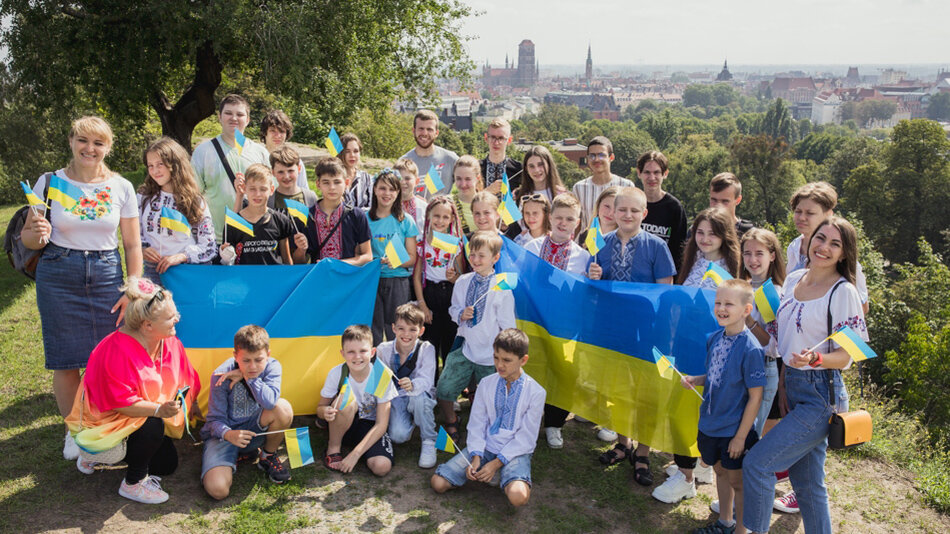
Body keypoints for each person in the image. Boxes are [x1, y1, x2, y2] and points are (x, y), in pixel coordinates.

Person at [21, 116, 143, 462]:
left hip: (106, 273)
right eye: (83, 141)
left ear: (108, 147)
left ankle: (102, 424)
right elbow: (30, 239)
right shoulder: (49, 183)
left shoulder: (121, 187)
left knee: (105, 358)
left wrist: (132, 285)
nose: (90, 149)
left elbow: (132, 246)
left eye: (98, 143)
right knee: (66, 359)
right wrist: (36, 232)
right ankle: (73, 431)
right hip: (58, 273)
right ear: (71, 141)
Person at [743, 217, 868, 534]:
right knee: (809, 486)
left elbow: (850, 354)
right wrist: (748, 321)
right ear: (809, 241)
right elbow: (775, 338)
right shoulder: (795, 278)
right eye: (820, 238)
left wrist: (818, 358)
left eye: (835, 244)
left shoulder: (843, 291)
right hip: (789, 388)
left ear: (843, 253)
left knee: (757, 464)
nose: (824, 247)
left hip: (820, 395)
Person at [65, 278, 200, 504]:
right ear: (147, 325)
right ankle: (132, 482)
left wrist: (192, 402)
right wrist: (158, 409)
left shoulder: (168, 340)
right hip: (110, 420)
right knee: (153, 425)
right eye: (170, 317)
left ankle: (103, 456)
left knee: (166, 465)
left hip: (142, 418)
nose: (177, 319)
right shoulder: (115, 352)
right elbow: (120, 403)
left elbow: (186, 373)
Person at [586, 187, 676, 485]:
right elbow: (593, 285)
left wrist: (663, 333)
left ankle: (644, 452)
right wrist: (593, 276)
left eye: (634, 211)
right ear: (613, 212)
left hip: (646, 330)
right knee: (620, 388)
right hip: (612, 329)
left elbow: (666, 292)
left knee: (645, 390)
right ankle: (624, 443)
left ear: (644, 214)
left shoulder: (657, 247)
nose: (627, 215)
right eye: (621, 209)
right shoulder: (601, 242)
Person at [653, 207, 741, 502]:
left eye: (712, 233)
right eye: (699, 232)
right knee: (678, 406)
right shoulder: (692, 261)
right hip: (683, 342)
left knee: (696, 410)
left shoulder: (732, 270)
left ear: (725, 236)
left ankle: (689, 475)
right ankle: (688, 468)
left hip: (712, 350)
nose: (704, 239)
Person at [681, 279, 766, 533]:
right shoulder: (714, 338)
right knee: (719, 471)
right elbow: (717, 375)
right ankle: (725, 522)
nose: (721, 308)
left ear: (746, 310)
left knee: (737, 481)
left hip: (733, 431)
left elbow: (756, 397)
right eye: (718, 302)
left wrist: (740, 437)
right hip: (710, 424)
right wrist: (697, 380)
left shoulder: (752, 349)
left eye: (729, 303)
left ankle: (741, 529)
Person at [431, 328, 545, 507]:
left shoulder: (536, 392)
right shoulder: (486, 383)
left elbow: (527, 438)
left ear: (523, 360)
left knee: (518, 497)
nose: (500, 365)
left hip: (514, 452)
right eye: (496, 358)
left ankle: (501, 474)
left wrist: (495, 464)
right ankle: (487, 472)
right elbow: (477, 423)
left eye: (507, 360)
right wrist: (476, 456)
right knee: (438, 483)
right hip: (484, 448)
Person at [436, 232, 517, 445]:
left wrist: (503, 354)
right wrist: (460, 313)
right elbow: (453, 309)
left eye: (482, 255)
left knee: (490, 398)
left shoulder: (502, 287)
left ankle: (484, 427)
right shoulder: (462, 281)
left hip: (491, 354)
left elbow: (508, 326)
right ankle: (452, 420)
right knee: (444, 388)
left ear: (495, 258)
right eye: (472, 255)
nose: (475, 260)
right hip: (464, 347)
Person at [524, 193, 590, 449]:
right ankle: (529, 419)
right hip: (534, 321)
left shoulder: (583, 257)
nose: (563, 223)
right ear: (550, 218)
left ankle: (554, 424)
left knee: (563, 372)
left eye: (569, 219)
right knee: (533, 368)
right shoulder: (531, 248)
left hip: (566, 326)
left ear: (578, 222)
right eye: (559, 217)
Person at [201, 325, 294, 499]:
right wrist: (228, 434)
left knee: (283, 407)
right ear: (235, 355)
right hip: (225, 436)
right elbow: (214, 420)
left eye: (258, 360)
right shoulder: (220, 375)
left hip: (254, 431)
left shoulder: (273, 366)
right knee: (218, 490)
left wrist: (248, 377)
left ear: (268, 354)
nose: (252, 366)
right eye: (246, 361)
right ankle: (240, 454)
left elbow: (270, 401)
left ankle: (267, 456)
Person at [317, 324, 398, 476]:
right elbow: (320, 407)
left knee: (382, 467)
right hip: (344, 422)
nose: (357, 357)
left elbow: (381, 424)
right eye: (351, 352)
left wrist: (355, 454)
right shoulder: (337, 373)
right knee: (346, 401)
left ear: (373, 352)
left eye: (363, 351)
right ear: (342, 353)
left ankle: (359, 450)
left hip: (370, 427)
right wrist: (325, 412)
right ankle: (333, 448)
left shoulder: (382, 375)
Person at [191, 94, 271, 242]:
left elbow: (270, 194)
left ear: (247, 120)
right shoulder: (203, 151)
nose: (234, 118)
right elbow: (194, 195)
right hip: (215, 237)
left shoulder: (260, 153)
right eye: (228, 113)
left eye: (240, 114)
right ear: (219, 117)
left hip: (254, 238)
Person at [138, 137, 216, 284]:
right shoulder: (143, 197)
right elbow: (134, 235)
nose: (155, 171)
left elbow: (209, 247)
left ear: (175, 164)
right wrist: (143, 249)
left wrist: (182, 256)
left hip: (186, 273)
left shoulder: (195, 201)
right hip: (153, 272)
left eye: (160, 164)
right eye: (150, 165)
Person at [786, 182, 869, 315]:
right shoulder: (794, 247)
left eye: (810, 213)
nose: (801, 218)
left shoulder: (838, 256)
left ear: (829, 214)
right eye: (798, 211)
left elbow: (862, 307)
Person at [378, 303, 439, 468]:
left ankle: (428, 439)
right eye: (401, 329)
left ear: (421, 331)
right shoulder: (383, 350)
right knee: (398, 436)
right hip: (396, 398)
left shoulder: (426, 348)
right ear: (393, 328)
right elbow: (378, 380)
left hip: (419, 395)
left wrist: (413, 384)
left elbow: (427, 380)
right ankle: (412, 420)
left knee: (419, 399)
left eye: (412, 329)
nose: (406, 334)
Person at [368, 169, 419, 345]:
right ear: (375, 189)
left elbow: (412, 258)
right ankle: (373, 365)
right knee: (372, 329)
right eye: (382, 188)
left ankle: (396, 367)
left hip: (397, 281)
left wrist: (396, 261)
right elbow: (359, 252)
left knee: (397, 328)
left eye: (392, 189)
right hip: (372, 280)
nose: (387, 194)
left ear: (398, 192)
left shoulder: (406, 221)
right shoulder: (365, 218)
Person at [413, 196, 466, 364]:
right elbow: (416, 276)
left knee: (450, 340)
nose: (440, 220)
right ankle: (430, 382)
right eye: (436, 216)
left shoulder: (455, 244)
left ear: (451, 219)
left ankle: (448, 385)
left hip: (450, 294)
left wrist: (453, 278)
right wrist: (422, 304)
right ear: (428, 215)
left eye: (445, 217)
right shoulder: (421, 243)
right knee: (430, 342)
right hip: (429, 293)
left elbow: (462, 277)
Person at [219, 164, 303, 265]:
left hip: (273, 279)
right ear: (245, 188)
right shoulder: (233, 223)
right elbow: (227, 263)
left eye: (263, 189)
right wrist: (225, 256)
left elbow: (287, 259)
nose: (258, 194)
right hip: (243, 279)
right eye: (252, 189)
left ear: (271, 190)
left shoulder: (281, 220)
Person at [303, 157, 372, 265]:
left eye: (337, 182)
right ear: (318, 184)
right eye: (326, 182)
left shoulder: (356, 215)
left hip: (347, 277)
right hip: (318, 278)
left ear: (346, 183)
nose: (332, 187)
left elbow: (367, 256)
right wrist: (301, 248)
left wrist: (336, 264)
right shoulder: (307, 216)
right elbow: (298, 260)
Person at [638, 150, 689, 269]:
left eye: (657, 172)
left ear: (665, 174)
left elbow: (679, 250)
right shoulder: (632, 203)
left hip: (663, 273)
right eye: (647, 172)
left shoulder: (674, 208)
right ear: (639, 173)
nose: (652, 177)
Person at [571, 136, 634, 229]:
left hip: (617, 242)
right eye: (592, 156)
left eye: (601, 155)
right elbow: (576, 222)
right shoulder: (579, 188)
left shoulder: (626, 186)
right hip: (586, 242)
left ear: (611, 157)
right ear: (587, 159)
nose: (596, 159)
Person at [401, 109, 459, 197]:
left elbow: (469, 186)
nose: (424, 133)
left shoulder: (451, 159)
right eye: (421, 129)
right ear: (413, 131)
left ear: (437, 133)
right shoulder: (403, 162)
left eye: (429, 129)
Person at [267, 145, 318, 227]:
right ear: (273, 172)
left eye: (290, 171)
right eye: (280, 172)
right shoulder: (268, 199)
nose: (286, 176)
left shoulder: (310, 197)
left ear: (299, 169)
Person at [259, 109, 309, 192]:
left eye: (282, 131)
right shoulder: (257, 158)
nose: (277, 135)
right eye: (273, 130)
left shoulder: (295, 161)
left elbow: (303, 190)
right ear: (265, 132)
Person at [480, 118, 523, 195]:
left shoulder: (519, 169)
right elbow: (467, 201)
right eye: (493, 137)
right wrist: (488, 191)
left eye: (501, 138)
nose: (496, 143)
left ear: (509, 140)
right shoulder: (476, 169)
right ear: (486, 138)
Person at [709, 172, 754, 238]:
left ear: (738, 200)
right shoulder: (696, 232)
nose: (718, 206)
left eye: (724, 201)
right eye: (714, 200)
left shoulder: (749, 235)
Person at [577, 186, 620, 250]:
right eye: (607, 206)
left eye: (616, 209)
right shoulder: (585, 235)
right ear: (598, 205)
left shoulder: (623, 239)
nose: (610, 213)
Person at [450, 155, 484, 236]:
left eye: (468, 179)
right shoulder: (447, 203)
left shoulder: (487, 203)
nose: (463, 184)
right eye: (458, 179)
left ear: (477, 178)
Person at [395, 158, 428, 237]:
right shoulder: (387, 207)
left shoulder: (425, 207)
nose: (402, 182)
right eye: (399, 178)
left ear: (417, 181)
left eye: (407, 178)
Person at [340, 133, 374, 209]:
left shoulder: (367, 178)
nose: (352, 155)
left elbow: (372, 207)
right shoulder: (335, 178)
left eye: (356, 151)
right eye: (347, 151)